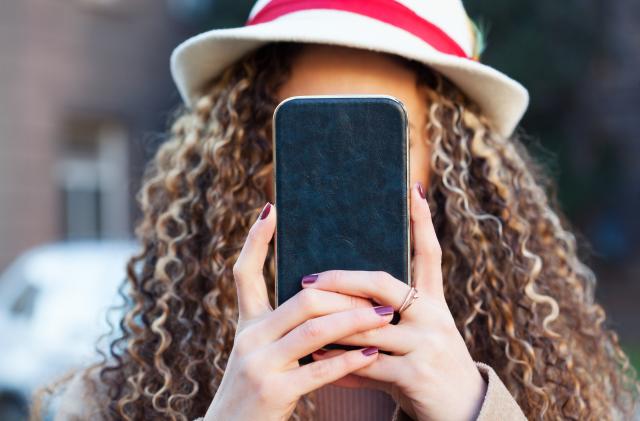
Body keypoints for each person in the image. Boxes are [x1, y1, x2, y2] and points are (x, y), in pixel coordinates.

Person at [33, 0, 639, 420]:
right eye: (309, 134)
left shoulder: (568, 388)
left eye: (381, 138)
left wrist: (473, 409)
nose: (338, 170)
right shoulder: (117, 398)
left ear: (453, 167)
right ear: (246, 155)